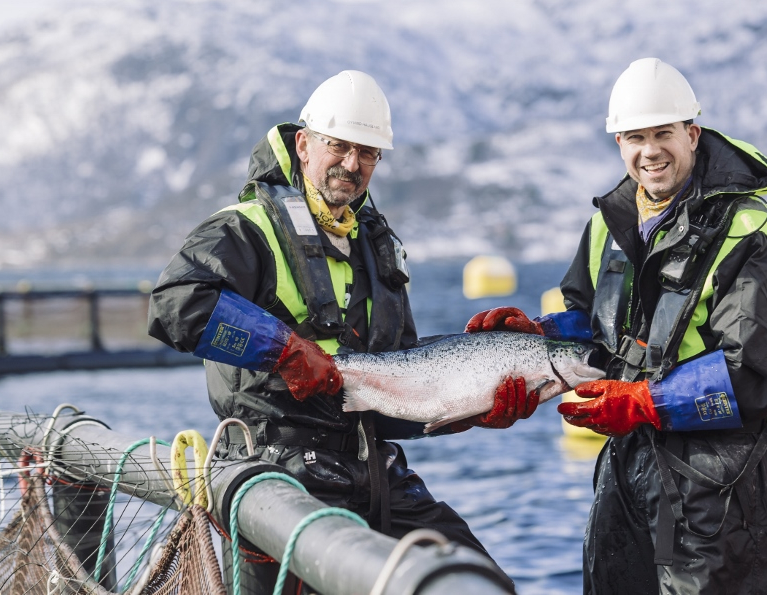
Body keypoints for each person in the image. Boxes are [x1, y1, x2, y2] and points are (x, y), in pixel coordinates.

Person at [148, 70, 525, 594]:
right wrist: (283, 350)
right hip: (275, 476)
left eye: (368, 152)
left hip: (375, 474)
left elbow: (392, 389)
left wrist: (464, 411)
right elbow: (175, 306)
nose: (353, 164)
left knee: (476, 583)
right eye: (340, 146)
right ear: (304, 144)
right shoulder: (245, 228)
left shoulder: (379, 245)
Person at [467, 58, 767, 594]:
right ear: (618, 143)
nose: (650, 150)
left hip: (719, 491)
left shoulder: (752, 228)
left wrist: (644, 402)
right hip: (624, 475)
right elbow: (592, 323)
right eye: (635, 137)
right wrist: (538, 336)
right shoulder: (609, 223)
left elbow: (755, 372)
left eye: (663, 134)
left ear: (692, 135)